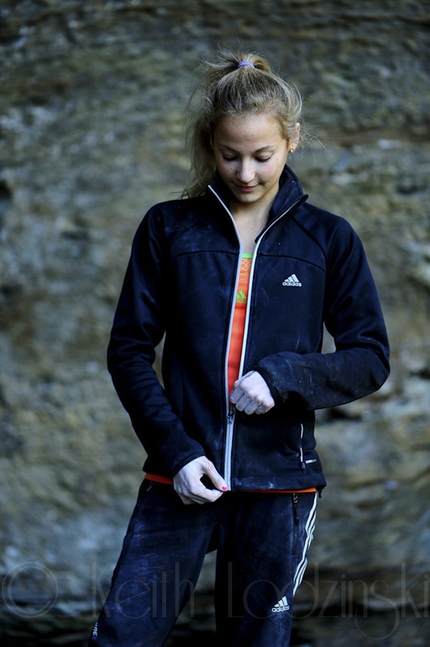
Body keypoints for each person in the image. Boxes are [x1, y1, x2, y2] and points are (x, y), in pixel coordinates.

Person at [89, 49, 390, 647]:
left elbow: (370, 357)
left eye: (262, 156)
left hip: (281, 484)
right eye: (230, 156)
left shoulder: (328, 239)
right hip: (180, 474)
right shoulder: (168, 228)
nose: (245, 173)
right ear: (210, 144)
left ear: (292, 141)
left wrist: (284, 377)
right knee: (123, 637)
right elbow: (128, 351)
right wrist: (174, 453)